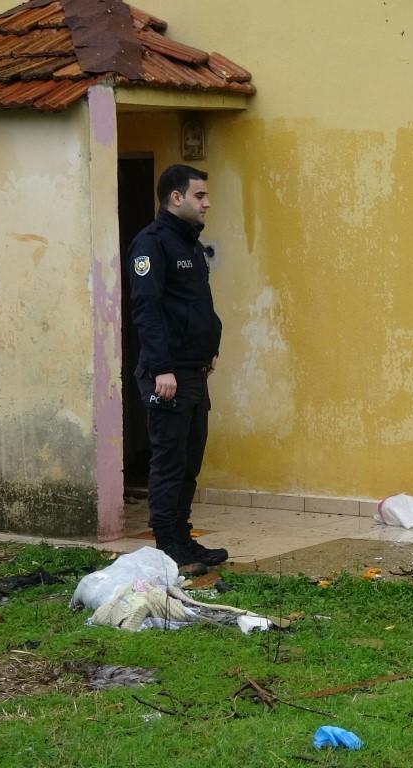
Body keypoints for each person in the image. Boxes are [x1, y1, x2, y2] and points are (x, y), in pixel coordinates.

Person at [127, 164, 228, 568]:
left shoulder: (188, 243)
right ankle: (168, 545)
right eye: (200, 195)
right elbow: (146, 309)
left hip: (194, 372)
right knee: (169, 463)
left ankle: (184, 539)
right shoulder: (151, 245)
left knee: (189, 462)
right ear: (176, 197)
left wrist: (211, 345)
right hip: (168, 376)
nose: (207, 202)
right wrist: (161, 367)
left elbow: (196, 306)